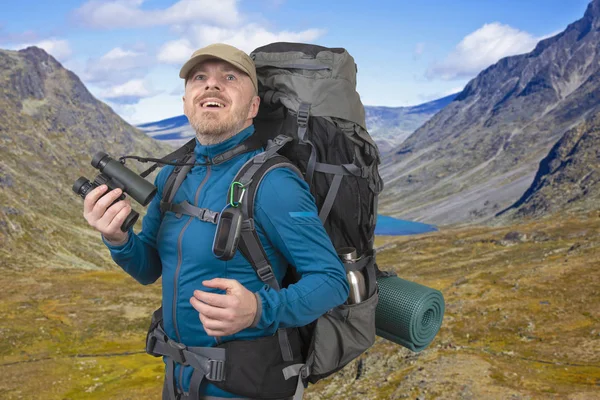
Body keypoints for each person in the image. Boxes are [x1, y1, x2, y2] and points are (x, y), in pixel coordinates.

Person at [82, 43, 350, 399]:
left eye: (229, 77)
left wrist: (259, 309)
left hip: (250, 384)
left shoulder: (274, 183)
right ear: (185, 101)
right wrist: (117, 239)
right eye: (199, 78)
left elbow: (332, 281)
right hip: (178, 382)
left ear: (253, 106)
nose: (211, 85)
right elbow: (148, 268)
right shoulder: (172, 177)